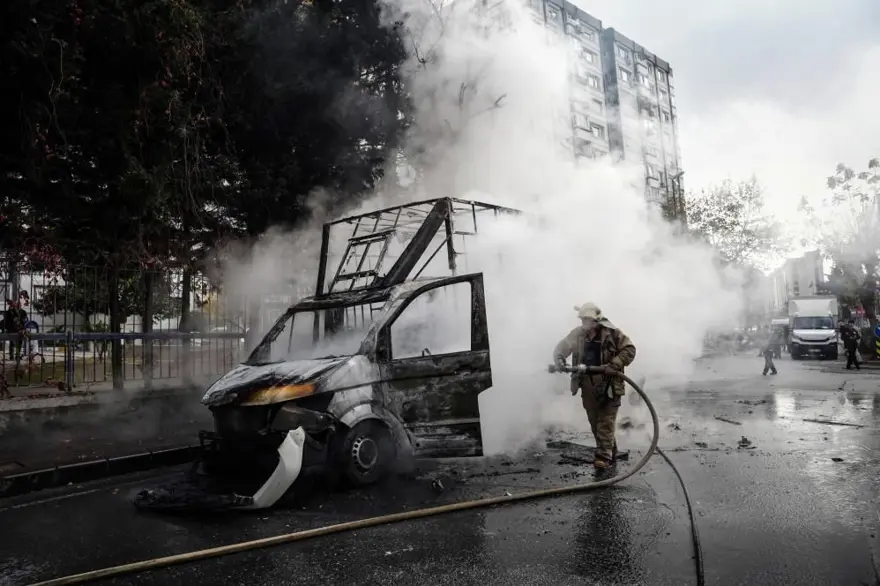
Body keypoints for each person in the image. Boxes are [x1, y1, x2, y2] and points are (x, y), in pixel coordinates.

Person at [553, 302, 637, 469]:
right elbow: (562, 348)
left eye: (588, 320)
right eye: (583, 319)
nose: (585, 323)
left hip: (609, 384)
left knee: (605, 421)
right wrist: (560, 359)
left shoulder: (612, 333)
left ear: (596, 320)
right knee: (594, 420)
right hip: (586, 383)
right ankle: (610, 450)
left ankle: (603, 457)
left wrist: (615, 364)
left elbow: (629, 349)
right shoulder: (577, 334)